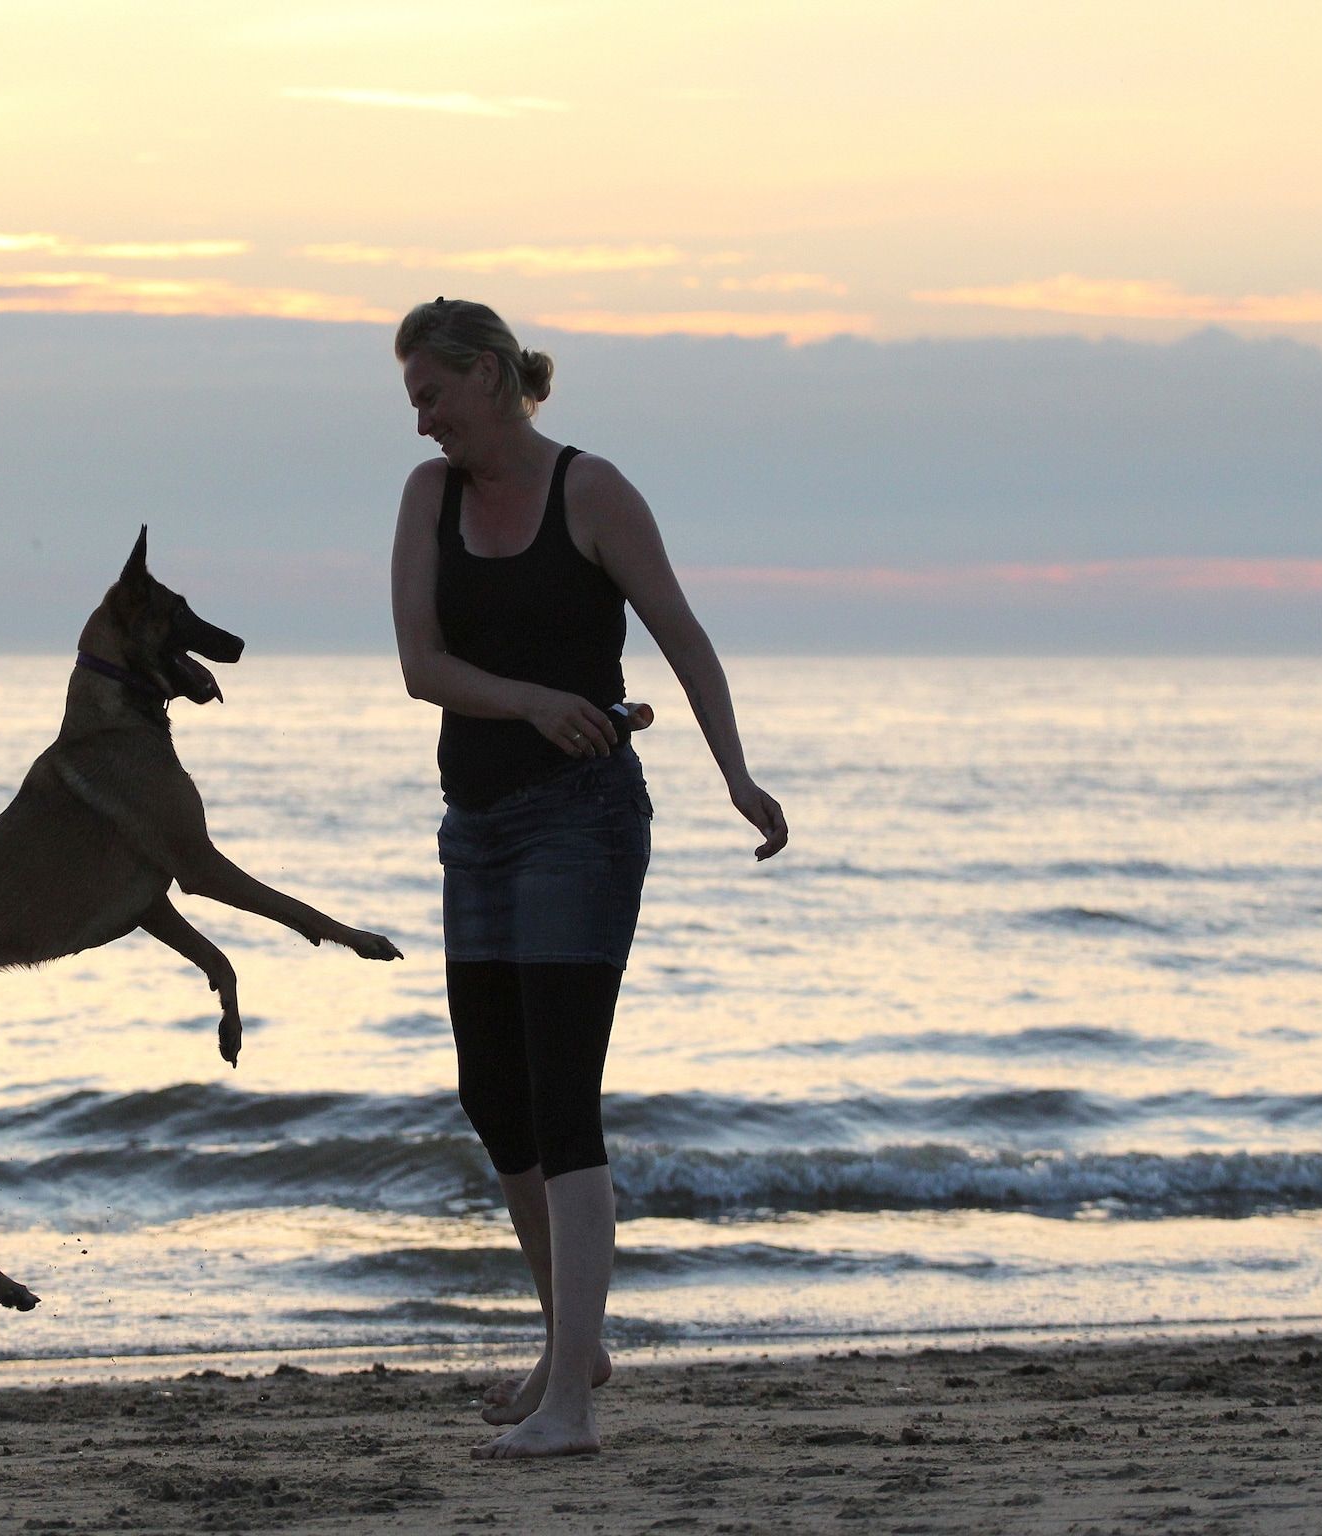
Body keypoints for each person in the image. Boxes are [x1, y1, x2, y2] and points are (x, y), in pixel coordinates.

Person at [389, 298, 787, 1460]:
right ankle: (574, 1341)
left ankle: (569, 1401)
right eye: (412, 403)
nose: (423, 426)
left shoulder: (591, 492)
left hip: (584, 823)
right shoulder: (430, 500)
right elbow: (422, 666)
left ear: (495, 375)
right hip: (477, 823)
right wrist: (532, 701)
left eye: (433, 397)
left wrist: (736, 776)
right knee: (491, 1095)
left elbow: (684, 639)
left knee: (560, 1097)